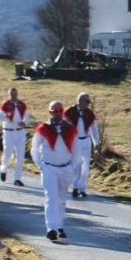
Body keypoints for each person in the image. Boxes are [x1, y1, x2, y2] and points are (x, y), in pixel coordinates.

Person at [31, 101, 79, 241]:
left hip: (65, 168)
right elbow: (35, 148)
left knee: (61, 199)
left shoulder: (70, 129)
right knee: (51, 197)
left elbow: (77, 150)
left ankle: (59, 225)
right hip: (49, 168)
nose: (57, 113)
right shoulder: (43, 129)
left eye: (60, 110)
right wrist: (41, 165)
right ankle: (51, 228)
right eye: (54, 110)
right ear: (50, 112)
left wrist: (73, 166)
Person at [64, 92, 100, 198]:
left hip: (86, 140)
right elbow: (65, 127)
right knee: (77, 165)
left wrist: (96, 143)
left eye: (89, 101)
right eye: (87, 101)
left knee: (85, 165)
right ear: (80, 101)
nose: (88, 103)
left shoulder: (89, 113)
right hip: (75, 141)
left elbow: (94, 129)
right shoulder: (70, 112)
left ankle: (82, 188)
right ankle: (75, 187)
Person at [0, 87, 30, 186]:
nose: (14, 96)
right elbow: (0, 117)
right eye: (12, 94)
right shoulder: (6, 105)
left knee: (20, 156)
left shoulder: (21, 105)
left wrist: (24, 122)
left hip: (20, 132)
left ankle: (17, 178)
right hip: (9, 132)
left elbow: (27, 116)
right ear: (9, 94)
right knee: (7, 153)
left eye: (15, 94)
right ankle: (3, 169)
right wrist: (6, 117)